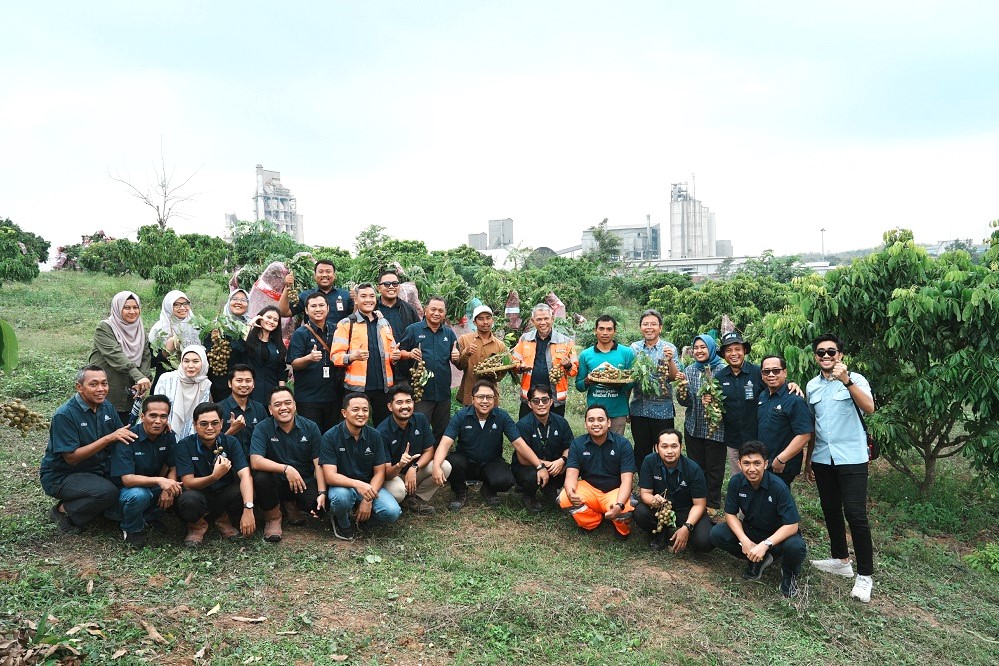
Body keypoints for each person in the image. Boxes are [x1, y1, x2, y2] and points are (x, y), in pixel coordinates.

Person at [804, 333, 877, 603]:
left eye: (831, 352)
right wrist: (809, 459)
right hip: (824, 457)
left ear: (840, 355)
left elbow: (869, 408)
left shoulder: (855, 380)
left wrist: (846, 381)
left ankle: (865, 576)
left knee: (856, 515)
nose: (826, 356)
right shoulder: (812, 386)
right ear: (815, 357)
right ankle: (841, 560)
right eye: (821, 352)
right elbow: (813, 426)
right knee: (831, 509)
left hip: (852, 458)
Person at [40, 365, 138, 534]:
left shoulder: (106, 406)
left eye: (104, 383)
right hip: (62, 475)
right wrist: (108, 438)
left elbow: (122, 436)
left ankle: (99, 508)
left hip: (95, 469)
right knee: (107, 493)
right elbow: (71, 458)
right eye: (93, 384)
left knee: (127, 480)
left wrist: (152, 428)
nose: (101, 389)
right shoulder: (64, 415)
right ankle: (63, 510)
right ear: (79, 387)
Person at [710, 441, 807, 599]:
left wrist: (765, 544)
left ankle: (789, 574)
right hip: (752, 530)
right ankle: (758, 559)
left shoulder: (778, 487)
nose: (752, 469)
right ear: (739, 464)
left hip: (778, 535)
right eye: (746, 463)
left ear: (766, 464)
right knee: (717, 533)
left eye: (757, 463)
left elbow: (792, 525)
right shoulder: (736, 482)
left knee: (796, 546)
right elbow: (730, 514)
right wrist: (745, 540)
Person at [432, 379, 524, 511]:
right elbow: (445, 443)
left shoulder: (502, 416)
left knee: (505, 480)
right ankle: (460, 492)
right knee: (451, 462)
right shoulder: (461, 416)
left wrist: (539, 465)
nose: (485, 401)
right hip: (466, 463)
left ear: (494, 399)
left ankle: (488, 488)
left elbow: (519, 444)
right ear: (472, 399)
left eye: (489, 397)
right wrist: (436, 466)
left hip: (491, 462)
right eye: (481, 397)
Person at [320, 393, 402, 541]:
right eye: (355, 409)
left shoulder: (375, 435)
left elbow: (379, 473)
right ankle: (342, 523)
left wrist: (368, 499)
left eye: (365, 410)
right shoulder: (330, 437)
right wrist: (358, 485)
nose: (361, 414)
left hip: (368, 486)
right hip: (342, 486)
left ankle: (364, 520)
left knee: (392, 512)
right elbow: (330, 476)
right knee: (341, 498)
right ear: (344, 413)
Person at [174, 402, 256, 547]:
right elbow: (188, 482)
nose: (210, 428)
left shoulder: (231, 442)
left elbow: (245, 475)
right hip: (199, 495)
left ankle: (222, 519)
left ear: (222, 423)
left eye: (215, 423)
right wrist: (214, 476)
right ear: (194, 424)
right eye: (204, 423)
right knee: (188, 499)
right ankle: (197, 525)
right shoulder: (185, 445)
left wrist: (248, 508)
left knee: (247, 490)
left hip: (223, 493)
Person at [250, 387, 326, 543]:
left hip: (302, 481)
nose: (283, 408)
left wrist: (322, 492)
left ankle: (292, 505)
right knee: (261, 477)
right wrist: (286, 469)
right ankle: (273, 517)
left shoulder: (310, 427)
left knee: (321, 509)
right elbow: (256, 460)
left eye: (287, 403)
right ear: (270, 410)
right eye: (277, 404)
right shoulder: (262, 428)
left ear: (295, 405)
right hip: (275, 482)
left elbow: (319, 463)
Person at [108, 395, 183, 549]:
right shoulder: (128, 438)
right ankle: (131, 528)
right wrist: (160, 481)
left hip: (151, 486)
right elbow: (127, 480)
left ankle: (148, 517)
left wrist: (168, 489)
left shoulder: (168, 435)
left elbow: (173, 466)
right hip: (124, 493)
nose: (158, 421)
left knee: (180, 488)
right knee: (139, 494)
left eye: (163, 416)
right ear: (142, 416)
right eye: (153, 415)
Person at [559, 404, 637, 539]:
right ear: (585, 424)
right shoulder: (577, 444)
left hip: (615, 492)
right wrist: (571, 493)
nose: (596, 424)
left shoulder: (623, 444)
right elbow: (571, 475)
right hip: (590, 490)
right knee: (565, 498)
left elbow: (627, 480)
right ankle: (592, 521)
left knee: (625, 508)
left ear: (608, 422)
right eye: (591, 420)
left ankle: (621, 528)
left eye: (600, 420)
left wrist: (619, 504)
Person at [330, 283, 400, 427]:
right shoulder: (346, 324)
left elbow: (392, 351)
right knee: (354, 426)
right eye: (363, 296)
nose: (368, 300)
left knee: (385, 427)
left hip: (384, 388)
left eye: (372, 296)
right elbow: (335, 357)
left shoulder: (384, 323)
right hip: (356, 389)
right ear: (356, 299)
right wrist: (352, 357)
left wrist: (396, 356)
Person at [376, 383, 451, 515]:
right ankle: (403, 497)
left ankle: (415, 498)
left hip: (415, 470)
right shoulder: (382, 432)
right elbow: (386, 473)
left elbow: (429, 451)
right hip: (394, 475)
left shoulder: (420, 419)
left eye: (408, 402)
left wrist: (414, 467)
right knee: (398, 492)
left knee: (444, 466)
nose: (405, 406)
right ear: (390, 406)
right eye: (399, 402)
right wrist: (400, 465)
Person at [634, 428, 713, 553]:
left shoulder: (693, 469)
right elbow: (645, 494)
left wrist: (687, 527)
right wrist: (654, 500)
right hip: (661, 508)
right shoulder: (649, 461)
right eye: (664, 446)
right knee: (640, 512)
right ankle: (660, 532)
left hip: (686, 510)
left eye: (674, 446)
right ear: (656, 448)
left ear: (681, 447)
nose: (669, 451)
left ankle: (685, 533)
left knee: (704, 542)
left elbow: (700, 505)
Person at [676, 334, 727, 515]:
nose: (699, 351)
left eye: (703, 347)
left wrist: (714, 400)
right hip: (693, 426)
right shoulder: (689, 370)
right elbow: (685, 403)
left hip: (716, 429)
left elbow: (728, 399)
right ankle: (697, 501)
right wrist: (681, 389)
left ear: (711, 349)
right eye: (696, 348)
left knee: (714, 468)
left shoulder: (723, 369)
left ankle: (712, 504)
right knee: (696, 467)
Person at [88, 291, 152, 425]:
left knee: (126, 429)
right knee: (104, 430)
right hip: (109, 388)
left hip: (131, 390)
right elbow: (116, 355)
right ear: (117, 308)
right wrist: (138, 377)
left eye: (135, 307)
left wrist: (143, 381)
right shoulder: (105, 328)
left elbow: (146, 356)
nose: (132, 311)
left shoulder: (140, 329)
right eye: (126, 307)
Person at [398, 295, 456, 441]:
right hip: (421, 393)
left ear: (445, 313)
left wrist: (458, 356)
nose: (437, 313)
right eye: (433, 309)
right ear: (425, 310)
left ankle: (437, 460)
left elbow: (457, 360)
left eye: (440, 311)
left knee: (441, 430)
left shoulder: (449, 333)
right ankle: (418, 460)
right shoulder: (413, 330)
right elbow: (399, 353)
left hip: (443, 393)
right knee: (418, 430)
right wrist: (410, 354)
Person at [628, 309, 682, 464]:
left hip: (662, 410)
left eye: (653, 324)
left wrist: (670, 360)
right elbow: (630, 379)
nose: (649, 327)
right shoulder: (634, 348)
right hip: (639, 408)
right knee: (641, 450)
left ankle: (663, 483)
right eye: (645, 324)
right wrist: (626, 407)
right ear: (640, 327)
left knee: (664, 450)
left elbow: (673, 377)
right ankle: (646, 485)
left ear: (660, 328)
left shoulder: (669, 348)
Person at [511, 303, 578, 418]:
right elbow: (513, 364)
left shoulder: (566, 341)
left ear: (552, 319)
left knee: (554, 431)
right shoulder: (524, 339)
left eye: (546, 318)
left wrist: (567, 366)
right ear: (533, 321)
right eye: (539, 319)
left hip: (555, 398)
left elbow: (574, 371)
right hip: (529, 398)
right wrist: (520, 367)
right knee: (526, 430)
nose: (543, 322)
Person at [513, 385, 573, 512]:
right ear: (529, 404)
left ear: (551, 402)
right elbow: (522, 459)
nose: (541, 404)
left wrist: (562, 460)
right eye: (536, 401)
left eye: (545, 400)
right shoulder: (523, 425)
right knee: (532, 475)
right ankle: (529, 495)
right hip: (529, 467)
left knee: (572, 465)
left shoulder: (561, 422)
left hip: (555, 465)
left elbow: (570, 447)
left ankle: (551, 488)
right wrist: (546, 465)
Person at [757, 355, 812, 489]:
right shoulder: (763, 396)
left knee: (778, 502)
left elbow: (805, 434)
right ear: (762, 374)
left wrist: (782, 459)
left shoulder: (794, 400)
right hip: (765, 462)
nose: (771, 375)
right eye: (766, 371)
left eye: (776, 371)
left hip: (782, 465)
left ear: (785, 372)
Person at [288, 292, 339, 431]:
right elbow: (294, 363)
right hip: (309, 398)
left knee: (331, 437)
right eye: (313, 306)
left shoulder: (336, 330)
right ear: (306, 310)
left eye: (321, 305)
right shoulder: (300, 333)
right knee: (311, 437)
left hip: (333, 396)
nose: (318, 309)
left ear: (328, 308)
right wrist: (309, 358)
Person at [575, 315, 634, 434]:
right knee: (595, 448)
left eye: (609, 329)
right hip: (594, 413)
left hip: (618, 412)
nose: (605, 333)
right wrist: (588, 381)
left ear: (614, 331)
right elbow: (579, 385)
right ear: (595, 330)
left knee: (616, 447)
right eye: (601, 329)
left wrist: (620, 384)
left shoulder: (626, 353)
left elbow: (632, 381)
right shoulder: (586, 354)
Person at [152, 344, 212, 440]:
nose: (190, 366)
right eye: (186, 361)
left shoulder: (205, 384)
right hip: (163, 433)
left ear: (203, 363)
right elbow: (156, 407)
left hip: (189, 436)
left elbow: (201, 413)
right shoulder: (167, 378)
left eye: (196, 361)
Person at [231, 305, 288, 404]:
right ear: (260, 318)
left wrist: (281, 393)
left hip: (271, 391)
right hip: (249, 391)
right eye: (268, 317)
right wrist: (250, 325)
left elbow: (281, 371)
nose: (271, 321)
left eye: (275, 320)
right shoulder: (249, 340)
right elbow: (238, 349)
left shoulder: (277, 344)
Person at [453, 305, 507, 406]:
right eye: (481, 319)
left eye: (488, 318)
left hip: (490, 395)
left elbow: (500, 376)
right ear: (474, 322)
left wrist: (492, 373)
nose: (485, 322)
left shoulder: (500, 345)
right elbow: (459, 366)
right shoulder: (465, 339)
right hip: (469, 392)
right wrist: (466, 353)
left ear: (492, 320)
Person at [204, 289, 250, 401]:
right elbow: (208, 354)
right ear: (229, 302)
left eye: (243, 300)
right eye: (235, 299)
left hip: (245, 383)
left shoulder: (251, 325)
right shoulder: (215, 326)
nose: (238, 302)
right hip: (221, 383)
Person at [149, 290, 201, 381]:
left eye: (186, 303)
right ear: (168, 306)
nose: (182, 308)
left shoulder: (196, 326)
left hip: (192, 380)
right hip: (166, 380)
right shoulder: (159, 329)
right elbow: (150, 362)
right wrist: (167, 351)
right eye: (176, 304)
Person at [219, 364, 269, 460]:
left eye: (248, 381)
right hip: (227, 462)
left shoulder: (259, 408)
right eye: (239, 380)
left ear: (253, 384)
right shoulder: (219, 409)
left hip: (256, 461)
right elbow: (213, 444)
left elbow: (267, 437)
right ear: (229, 383)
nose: (244, 384)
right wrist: (232, 430)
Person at [278, 259, 353, 320]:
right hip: (311, 338)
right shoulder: (305, 296)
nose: (324, 275)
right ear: (314, 276)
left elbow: (355, 317)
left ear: (334, 275)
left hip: (339, 338)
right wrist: (287, 287)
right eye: (320, 272)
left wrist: (356, 300)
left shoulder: (346, 295)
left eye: (328, 271)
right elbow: (283, 312)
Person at [375, 269, 420, 342]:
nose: (391, 286)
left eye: (395, 283)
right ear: (379, 288)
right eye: (386, 284)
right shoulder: (372, 308)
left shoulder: (409, 310)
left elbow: (417, 334)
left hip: (404, 352)